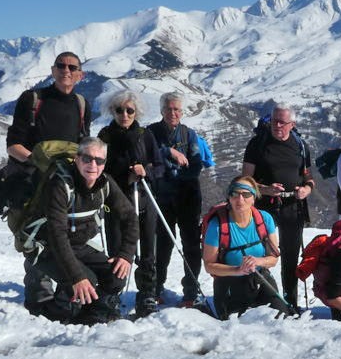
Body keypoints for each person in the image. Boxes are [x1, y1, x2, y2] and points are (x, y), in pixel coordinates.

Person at [0, 52, 93, 314]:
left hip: (66, 186)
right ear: (52, 70)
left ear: (80, 75)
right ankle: (39, 302)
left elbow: (83, 145)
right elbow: (13, 145)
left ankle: (65, 297)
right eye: (61, 66)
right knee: (36, 239)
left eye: (72, 67)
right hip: (32, 184)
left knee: (68, 237)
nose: (66, 70)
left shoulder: (82, 105)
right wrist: (39, 164)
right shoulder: (33, 100)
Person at [30, 137, 138, 324]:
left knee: (116, 276)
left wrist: (126, 254)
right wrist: (77, 277)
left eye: (99, 160)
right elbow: (57, 236)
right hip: (47, 248)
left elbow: (130, 218)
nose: (93, 164)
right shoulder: (60, 185)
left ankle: (90, 315)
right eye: (87, 158)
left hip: (80, 245)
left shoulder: (105, 183)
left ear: (104, 163)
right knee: (85, 280)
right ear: (77, 159)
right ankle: (55, 313)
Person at [241, 105, 315, 309]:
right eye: (274, 121)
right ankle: (260, 297)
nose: (277, 125)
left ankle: (290, 302)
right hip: (263, 207)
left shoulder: (301, 145)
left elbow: (308, 177)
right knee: (259, 252)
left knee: (290, 256)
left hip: (293, 206)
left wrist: (306, 190)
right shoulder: (258, 144)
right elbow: (245, 179)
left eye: (282, 122)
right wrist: (265, 189)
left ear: (292, 124)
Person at [148, 91, 215, 307]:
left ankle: (190, 292)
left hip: (187, 196)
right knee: (162, 245)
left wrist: (175, 174)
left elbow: (196, 164)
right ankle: (155, 288)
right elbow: (146, 153)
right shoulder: (151, 132)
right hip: (161, 197)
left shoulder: (189, 134)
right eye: (168, 108)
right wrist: (169, 152)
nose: (173, 113)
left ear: (182, 112)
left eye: (176, 109)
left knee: (191, 245)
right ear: (162, 110)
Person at [97, 91, 160, 318]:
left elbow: (159, 166)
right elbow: (100, 171)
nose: (124, 114)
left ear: (137, 112)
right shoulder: (105, 137)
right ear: (112, 111)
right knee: (117, 249)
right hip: (116, 202)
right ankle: (114, 293)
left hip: (144, 199)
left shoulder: (146, 135)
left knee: (147, 250)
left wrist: (146, 171)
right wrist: (125, 178)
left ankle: (147, 293)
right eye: (119, 110)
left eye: (129, 110)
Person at [201, 175, 288, 320]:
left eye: (246, 194)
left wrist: (258, 261)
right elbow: (209, 266)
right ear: (229, 197)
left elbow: (273, 259)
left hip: (260, 277)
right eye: (235, 194)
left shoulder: (264, 219)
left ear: (254, 198)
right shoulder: (217, 225)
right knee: (239, 326)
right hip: (229, 282)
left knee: (281, 317)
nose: (240, 199)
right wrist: (237, 270)